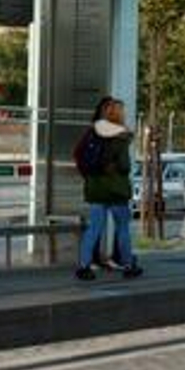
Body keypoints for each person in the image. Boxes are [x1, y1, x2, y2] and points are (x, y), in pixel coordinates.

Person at [76, 96, 143, 281]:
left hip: (96, 188)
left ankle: (83, 265)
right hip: (115, 190)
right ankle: (128, 265)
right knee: (122, 228)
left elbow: (81, 155)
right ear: (119, 114)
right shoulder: (121, 137)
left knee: (94, 228)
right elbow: (124, 166)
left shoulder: (93, 131)